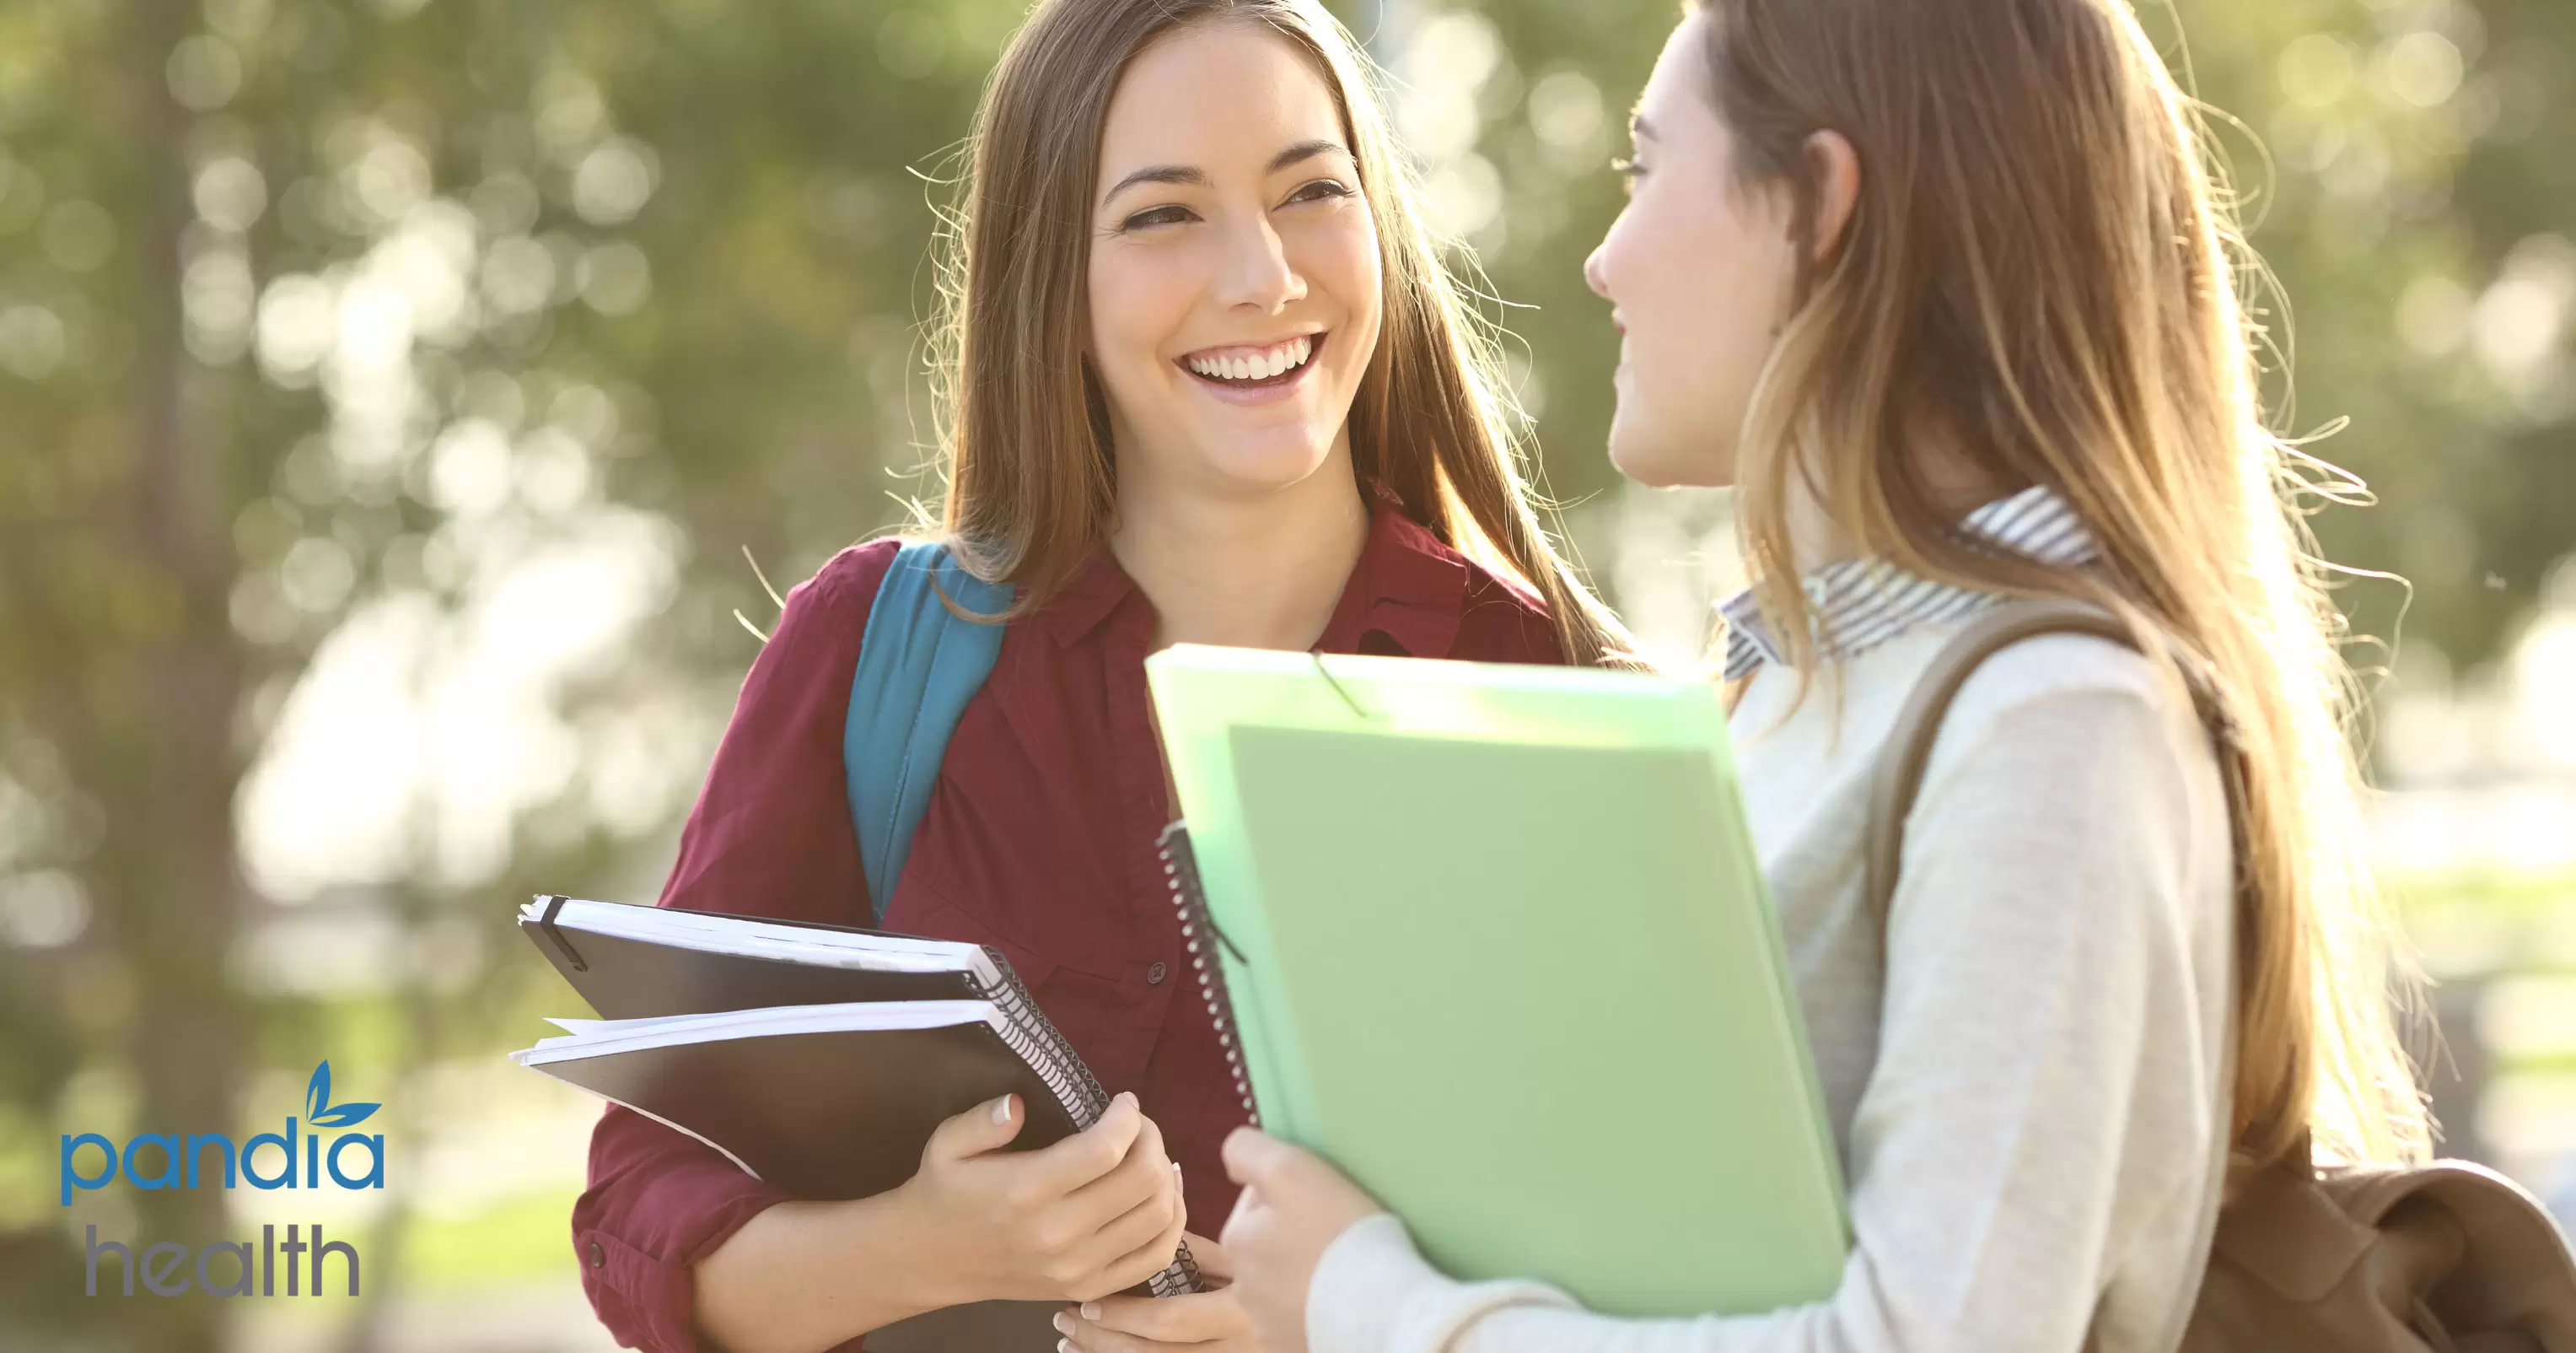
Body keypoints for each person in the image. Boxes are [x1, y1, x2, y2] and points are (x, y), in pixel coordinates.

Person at [1197, 0, 2433, 1350]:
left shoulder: (2055, 721)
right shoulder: (1805, 689)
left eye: (1644, 167)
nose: (1604, 260)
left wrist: (1373, 1308)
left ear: (1819, 204)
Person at [567, 1, 1630, 1350]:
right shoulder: (871, 653)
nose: (1261, 277)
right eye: (1162, 216)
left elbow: (1668, 1266)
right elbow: (638, 1215)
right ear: (1049, 282)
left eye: (1311, 192)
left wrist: (1352, 1324)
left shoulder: (1551, 693)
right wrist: (919, 1251)